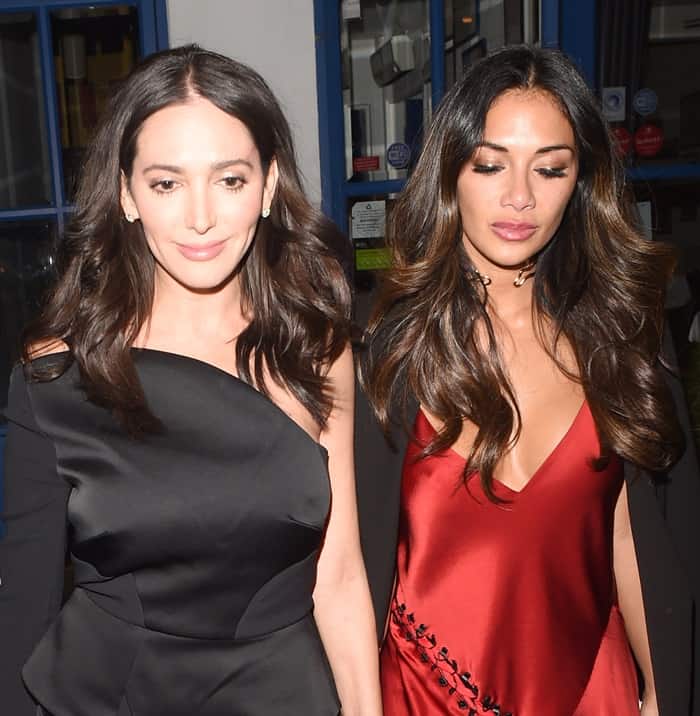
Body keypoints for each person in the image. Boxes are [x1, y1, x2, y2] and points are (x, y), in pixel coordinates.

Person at [0, 45, 382, 716]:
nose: (200, 217)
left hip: (282, 695)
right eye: (166, 184)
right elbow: (22, 606)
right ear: (126, 193)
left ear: (267, 186)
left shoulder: (316, 352)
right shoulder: (56, 375)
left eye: (229, 180)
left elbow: (341, 575)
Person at [358, 45, 700, 715]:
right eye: (490, 165)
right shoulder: (386, 350)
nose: (520, 196)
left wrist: (661, 691)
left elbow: (631, 534)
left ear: (580, 182)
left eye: (550, 168)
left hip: (591, 692)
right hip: (421, 697)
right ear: (450, 171)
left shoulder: (623, 336)